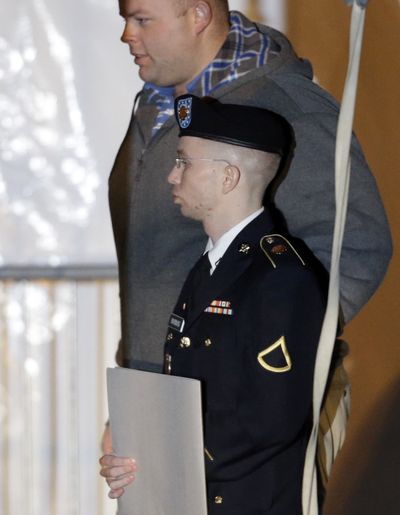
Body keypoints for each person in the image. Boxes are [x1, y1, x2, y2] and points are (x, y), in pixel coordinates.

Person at [102, 0, 391, 481]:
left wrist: (260, 365)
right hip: (163, 398)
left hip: (252, 417)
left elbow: (356, 246)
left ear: (198, 15)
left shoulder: (284, 104)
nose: (127, 35)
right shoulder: (158, 106)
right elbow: (155, 270)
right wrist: (135, 396)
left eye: (142, 19)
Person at [101, 94, 334, 513]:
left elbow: (271, 422)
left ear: (227, 178)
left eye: (184, 162)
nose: (172, 176)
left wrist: (161, 461)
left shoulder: (280, 276)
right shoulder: (212, 265)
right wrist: (138, 457)